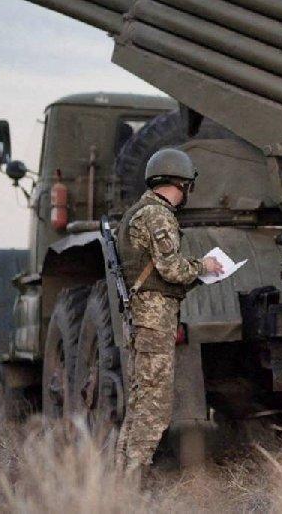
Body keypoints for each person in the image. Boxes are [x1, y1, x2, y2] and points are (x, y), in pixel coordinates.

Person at [115, 148, 223, 475]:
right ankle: (135, 477)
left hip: (144, 317)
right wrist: (204, 266)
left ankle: (123, 476)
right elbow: (172, 268)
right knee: (154, 407)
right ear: (182, 183)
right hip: (154, 319)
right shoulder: (158, 215)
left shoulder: (138, 212)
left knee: (139, 402)